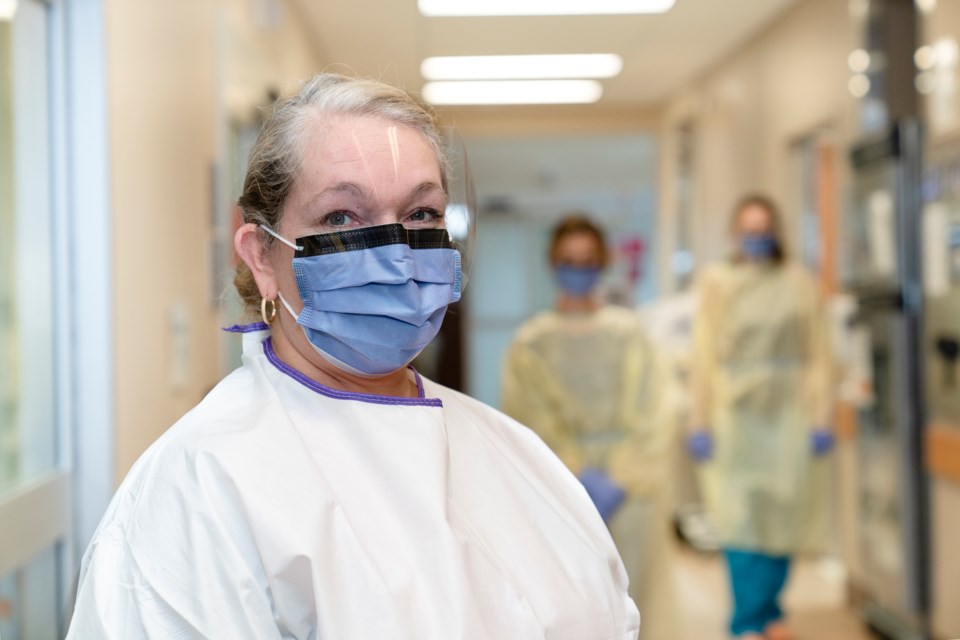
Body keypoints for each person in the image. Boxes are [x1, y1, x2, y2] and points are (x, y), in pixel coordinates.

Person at [66, 74, 639, 639]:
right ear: (261, 256)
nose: (394, 253)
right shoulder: (202, 485)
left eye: (421, 215)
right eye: (341, 218)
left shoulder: (510, 449)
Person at [502, 216, 679, 640]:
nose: (577, 269)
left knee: (639, 596)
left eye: (586, 260)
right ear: (552, 263)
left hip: (631, 490)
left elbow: (656, 409)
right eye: (568, 260)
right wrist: (574, 474)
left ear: (602, 263)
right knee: (573, 602)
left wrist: (623, 475)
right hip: (561, 489)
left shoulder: (629, 332)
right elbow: (527, 418)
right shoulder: (531, 341)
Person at [687, 194, 834, 640]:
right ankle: (748, 619)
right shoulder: (717, 282)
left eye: (764, 229)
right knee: (738, 521)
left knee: (782, 517)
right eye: (748, 231)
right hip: (733, 415)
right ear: (735, 235)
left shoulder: (798, 282)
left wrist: (821, 415)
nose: (757, 239)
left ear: (777, 233)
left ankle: (767, 610)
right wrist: (699, 420)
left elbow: (819, 353)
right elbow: (703, 354)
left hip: (788, 414)